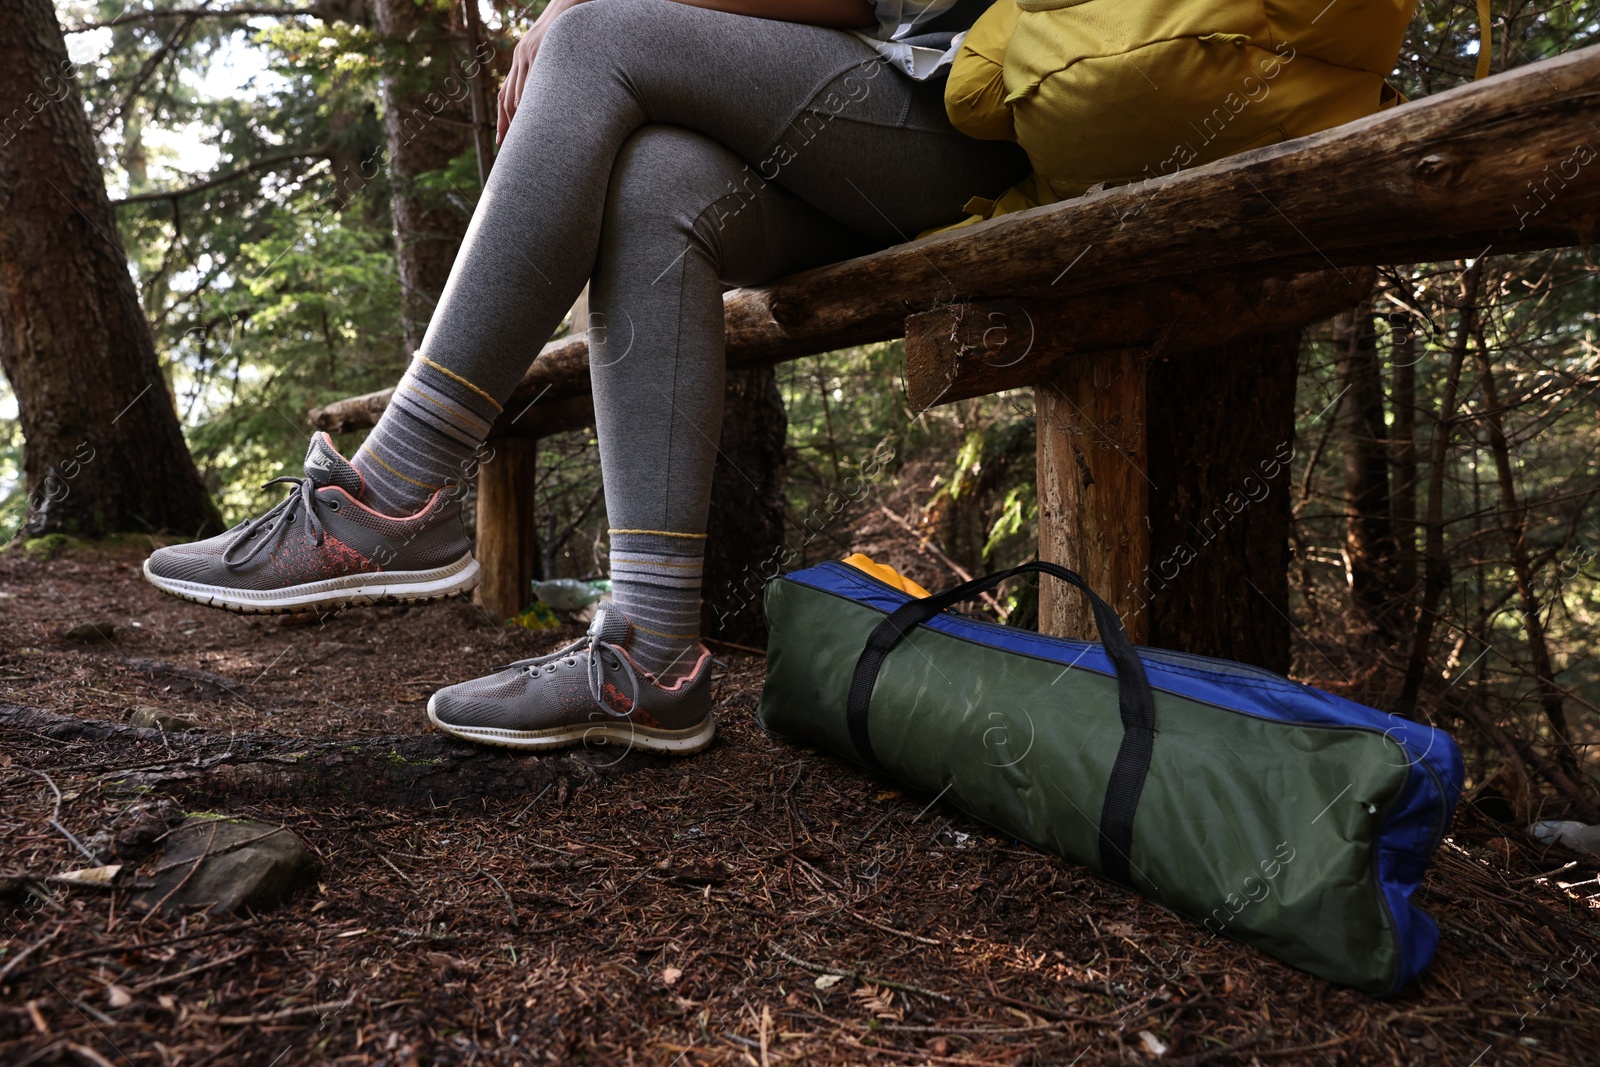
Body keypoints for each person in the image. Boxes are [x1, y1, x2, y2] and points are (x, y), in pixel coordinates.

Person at [142, 0, 1028, 755]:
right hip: (869, 133)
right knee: (655, 185)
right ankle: (652, 650)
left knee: (592, 36)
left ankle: (393, 488)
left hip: (968, 108)